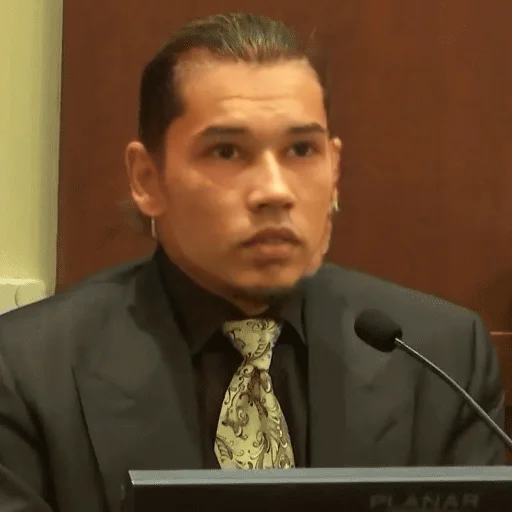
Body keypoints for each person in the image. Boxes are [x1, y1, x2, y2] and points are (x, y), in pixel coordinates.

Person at [0, 12, 505, 512]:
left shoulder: (440, 358)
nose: (274, 191)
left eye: (301, 150)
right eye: (226, 152)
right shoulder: (26, 372)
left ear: (334, 170)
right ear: (147, 179)